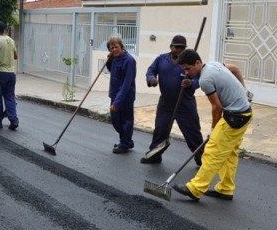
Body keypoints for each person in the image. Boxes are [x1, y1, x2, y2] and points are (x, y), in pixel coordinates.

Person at [172, 49, 253, 201]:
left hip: (234, 118)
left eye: (188, 68)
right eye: (183, 70)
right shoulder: (214, 64)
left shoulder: (204, 80)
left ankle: (195, 189)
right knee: (229, 153)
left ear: (197, 63)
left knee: (212, 151)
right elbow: (235, 68)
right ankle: (225, 189)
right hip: (245, 113)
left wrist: (213, 129)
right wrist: (244, 89)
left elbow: (217, 107)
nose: (187, 73)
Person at [141, 35, 204, 164]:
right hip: (166, 103)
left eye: (182, 47)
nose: (180, 50)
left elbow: (200, 78)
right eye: (177, 47)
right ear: (171, 47)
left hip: (185, 104)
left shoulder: (191, 60)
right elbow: (150, 71)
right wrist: (151, 79)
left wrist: (191, 83)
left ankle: (202, 159)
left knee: (192, 133)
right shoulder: (161, 59)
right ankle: (154, 155)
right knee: (160, 130)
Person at [106, 36, 136, 154]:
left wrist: (117, 102)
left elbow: (126, 84)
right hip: (114, 94)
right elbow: (110, 69)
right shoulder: (114, 58)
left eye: (116, 47)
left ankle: (124, 143)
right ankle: (127, 140)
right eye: (111, 48)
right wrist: (108, 60)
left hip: (126, 96)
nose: (114, 50)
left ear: (121, 47)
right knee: (115, 120)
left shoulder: (129, 60)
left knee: (126, 121)